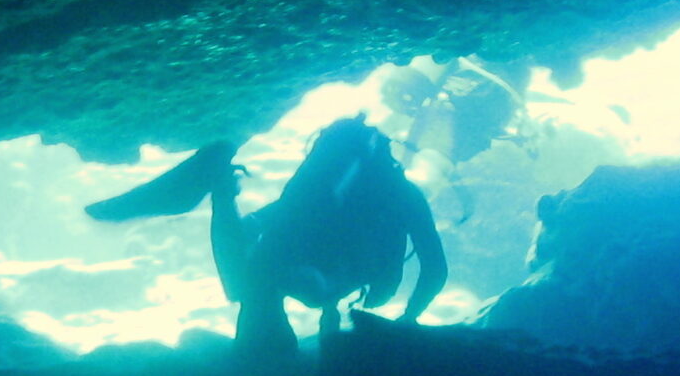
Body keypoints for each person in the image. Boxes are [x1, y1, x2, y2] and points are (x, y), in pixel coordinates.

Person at [86, 118, 447, 356]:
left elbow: (271, 220)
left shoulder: (315, 185)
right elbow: (435, 269)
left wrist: (228, 208)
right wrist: (408, 320)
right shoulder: (402, 192)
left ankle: (221, 188)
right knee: (287, 283)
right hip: (331, 278)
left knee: (257, 284)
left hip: (280, 267)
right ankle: (307, 301)